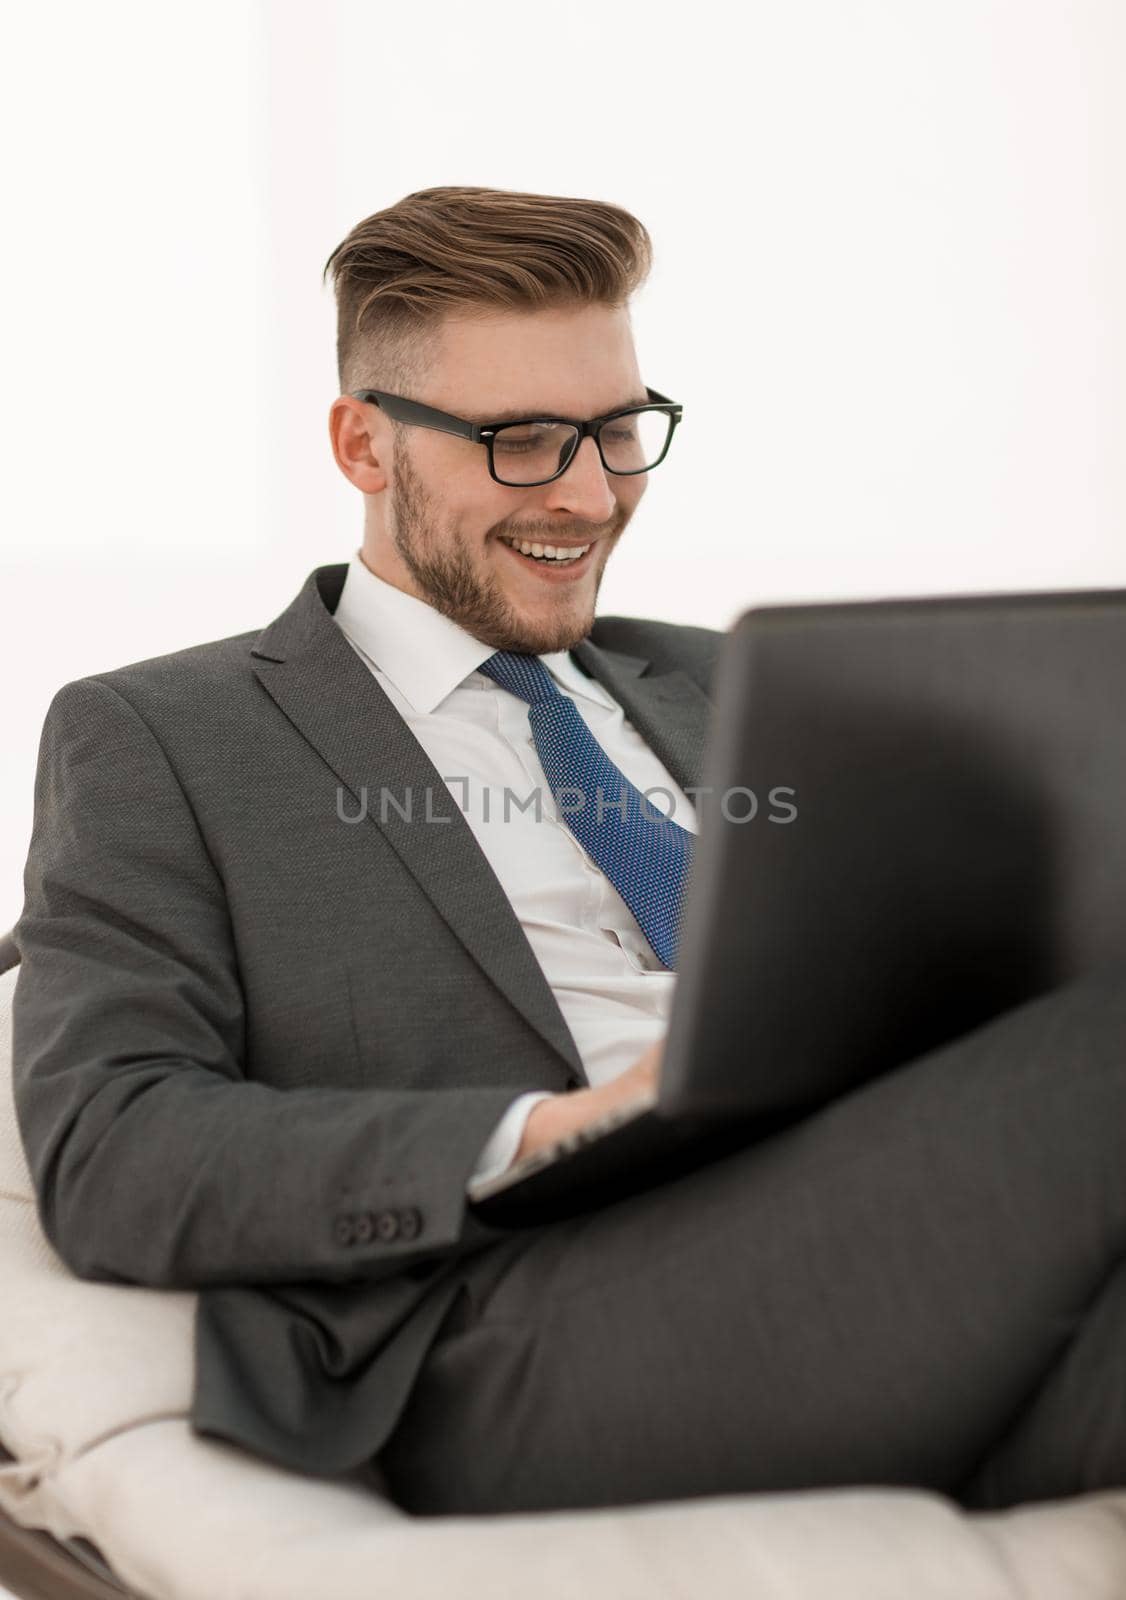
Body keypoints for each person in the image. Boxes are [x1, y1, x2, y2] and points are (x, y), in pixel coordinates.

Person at [12, 185, 1126, 1521]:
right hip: (512, 1332)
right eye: (525, 441)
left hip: (866, 1241)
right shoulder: (159, 736)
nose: (591, 496)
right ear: (364, 446)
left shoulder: (736, 682)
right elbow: (112, 1152)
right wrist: (553, 1128)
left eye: (617, 432)